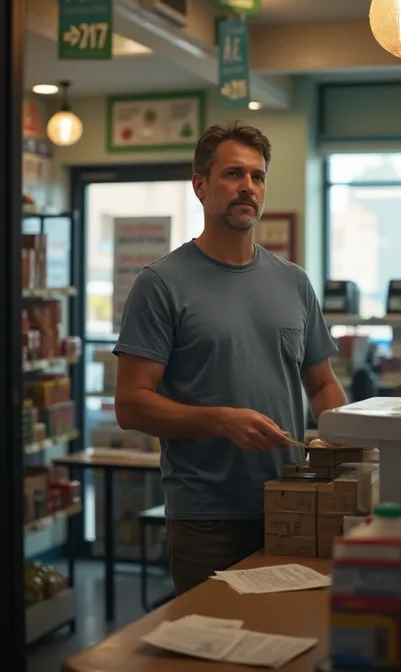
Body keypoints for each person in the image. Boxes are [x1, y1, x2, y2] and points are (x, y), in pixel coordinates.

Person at [113, 120, 347, 595]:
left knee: (289, 643)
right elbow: (131, 403)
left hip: (292, 503)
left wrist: (353, 446)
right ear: (200, 185)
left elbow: (322, 385)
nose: (248, 187)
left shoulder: (294, 282)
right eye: (233, 174)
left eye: (257, 177)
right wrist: (221, 420)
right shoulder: (161, 284)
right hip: (207, 517)